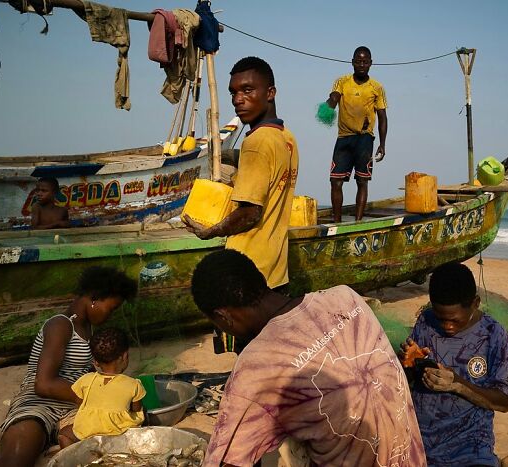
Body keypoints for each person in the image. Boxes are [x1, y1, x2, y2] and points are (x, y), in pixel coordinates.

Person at [190, 249, 427, 466]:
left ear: (223, 317)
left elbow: (225, 460)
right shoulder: (345, 297)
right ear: (261, 280)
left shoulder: (256, 365)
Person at [0, 267, 137, 467]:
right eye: (111, 308)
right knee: (14, 462)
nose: (111, 315)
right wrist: (92, 399)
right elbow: (44, 384)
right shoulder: (60, 326)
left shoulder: (90, 330)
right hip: (39, 404)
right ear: (94, 298)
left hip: (73, 408)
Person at [182, 56, 298, 291]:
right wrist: (233, 156)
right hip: (276, 270)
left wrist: (210, 231)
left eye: (247, 90)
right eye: (233, 93)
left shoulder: (256, 143)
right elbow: (269, 170)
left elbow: (250, 213)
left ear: (270, 92)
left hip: (247, 269)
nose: (238, 100)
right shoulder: (286, 138)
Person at [400, 262, 508, 467]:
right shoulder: (426, 322)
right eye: (441, 319)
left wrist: (457, 384)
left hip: (470, 446)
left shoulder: (494, 335)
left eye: (454, 320)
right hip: (420, 441)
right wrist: (409, 364)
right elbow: (407, 382)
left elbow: (505, 402)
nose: (448, 326)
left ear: (475, 303)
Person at [326, 45, 387, 222]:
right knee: (335, 181)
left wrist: (382, 144)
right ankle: (337, 223)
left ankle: (358, 222)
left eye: (365, 62)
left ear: (370, 63)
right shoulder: (342, 81)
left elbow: (382, 117)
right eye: (358, 61)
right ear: (352, 63)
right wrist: (330, 102)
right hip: (344, 138)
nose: (361, 65)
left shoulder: (377, 87)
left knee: (362, 181)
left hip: (365, 139)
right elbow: (334, 97)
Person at [57, 327, 145, 447]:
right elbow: (136, 409)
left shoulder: (86, 379)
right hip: (118, 432)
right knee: (142, 415)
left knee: (64, 434)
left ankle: (73, 455)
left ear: (95, 361)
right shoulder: (134, 384)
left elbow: (80, 402)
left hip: (88, 430)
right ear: (125, 356)